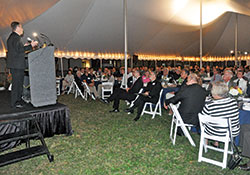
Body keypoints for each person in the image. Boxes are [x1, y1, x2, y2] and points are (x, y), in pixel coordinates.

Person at [6, 21, 38, 108]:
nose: (23, 29)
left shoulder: (12, 37)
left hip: (15, 65)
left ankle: (18, 101)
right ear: (18, 28)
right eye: (22, 27)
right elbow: (20, 50)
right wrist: (31, 45)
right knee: (17, 85)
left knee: (18, 84)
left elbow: (17, 50)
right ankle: (15, 103)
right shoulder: (16, 38)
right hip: (17, 65)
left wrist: (25, 46)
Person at [200, 82, 240, 146]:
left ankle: (206, 142)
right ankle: (216, 143)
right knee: (220, 117)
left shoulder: (210, 105)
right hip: (232, 132)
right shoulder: (233, 102)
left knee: (207, 122)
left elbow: (203, 118)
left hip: (215, 132)